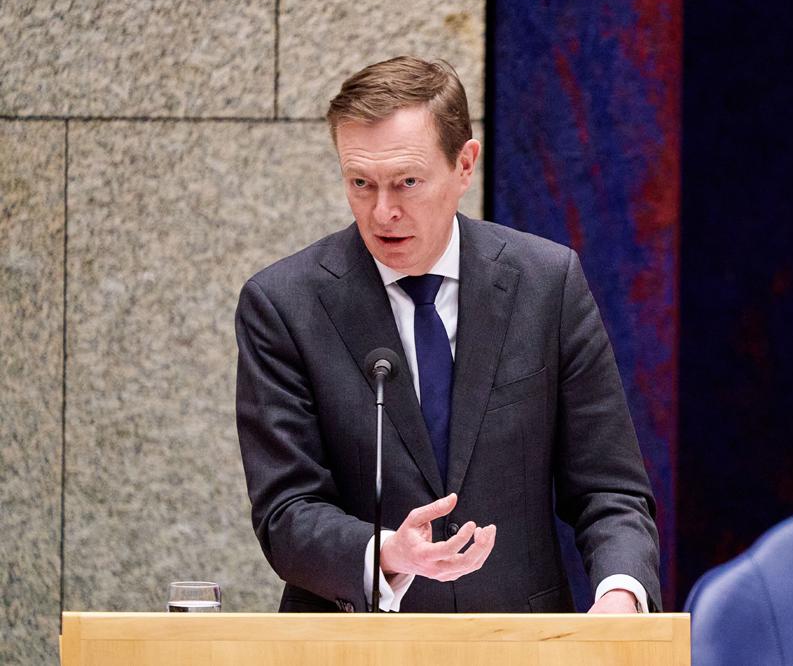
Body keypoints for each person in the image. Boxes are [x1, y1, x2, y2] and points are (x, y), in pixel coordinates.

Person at [234, 56, 660, 614]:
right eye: (360, 183)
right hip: (355, 643)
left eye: (407, 182)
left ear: (465, 165)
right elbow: (286, 510)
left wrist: (620, 596)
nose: (383, 211)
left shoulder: (546, 284)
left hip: (517, 641)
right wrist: (388, 553)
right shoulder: (283, 304)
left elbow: (610, 491)